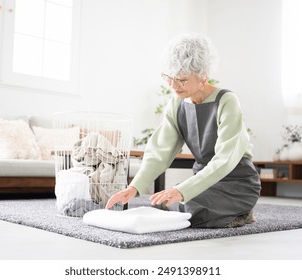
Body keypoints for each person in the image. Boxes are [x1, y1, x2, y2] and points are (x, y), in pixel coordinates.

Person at [106, 33, 261, 228]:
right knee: (173, 206)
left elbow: (225, 160)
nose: (173, 86)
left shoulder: (227, 101)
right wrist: (134, 187)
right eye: (170, 78)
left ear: (203, 76)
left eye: (182, 80)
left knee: (190, 211)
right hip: (203, 179)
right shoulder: (177, 103)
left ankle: (242, 212)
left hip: (236, 182)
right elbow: (160, 151)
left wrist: (181, 190)